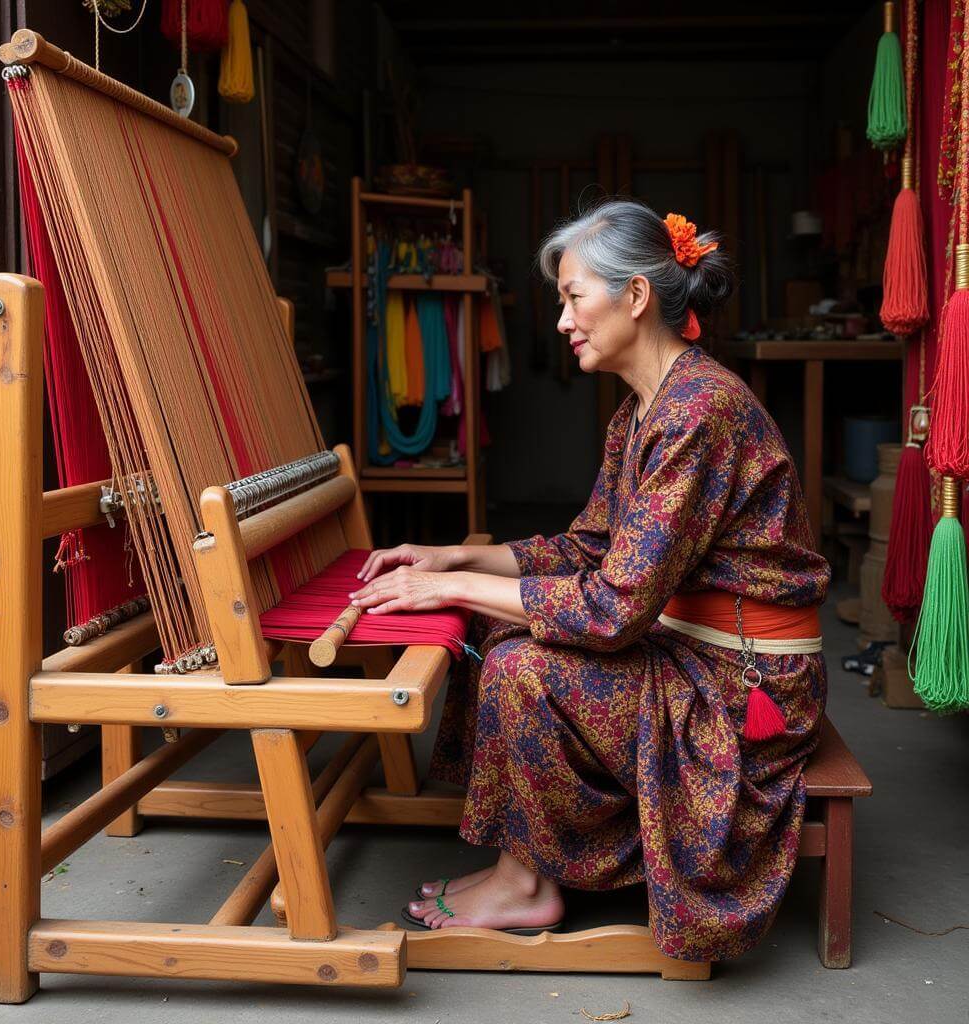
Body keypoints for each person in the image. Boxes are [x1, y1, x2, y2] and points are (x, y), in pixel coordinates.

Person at [347, 199, 831, 962]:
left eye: (575, 297)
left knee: (518, 663)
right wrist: (454, 559)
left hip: (746, 681)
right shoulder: (642, 414)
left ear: (635, 297)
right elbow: (589, 548)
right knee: (501, 626)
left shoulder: (700, 412)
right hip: (694, 647)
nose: (565, 319)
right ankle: (526, 863)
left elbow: (611, 610)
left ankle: (527, 884)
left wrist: (452, 593)